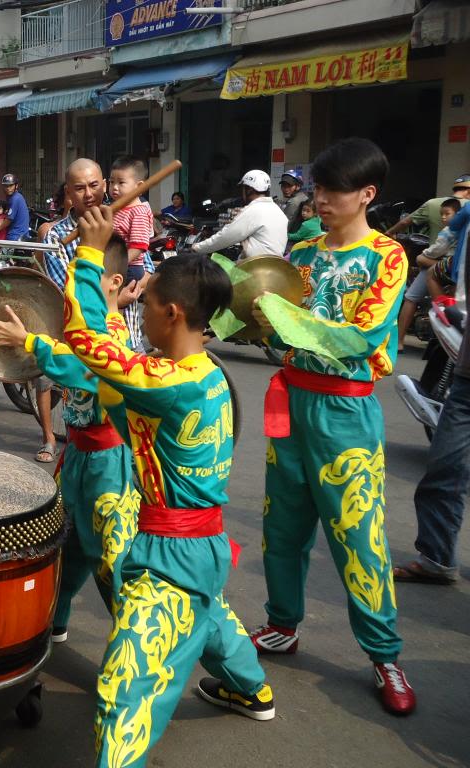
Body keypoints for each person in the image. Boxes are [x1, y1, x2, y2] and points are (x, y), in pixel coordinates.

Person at [64, 209, 274, 765]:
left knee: (125, 688)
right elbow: (123, 368)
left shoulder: (166, 384)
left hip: (168, 555)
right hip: (199, 546)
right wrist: (112, 312)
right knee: (208, 618)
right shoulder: (206, 375)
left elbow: (85, 347)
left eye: (148, 302)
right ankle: (250, 689)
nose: (142, 308)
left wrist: (87, 253)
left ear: (173, 312)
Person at [250, 137, 415, 715]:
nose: (318, 199)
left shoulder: (387, 257)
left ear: (366, 194)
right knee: (283, 526)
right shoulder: (300, 253)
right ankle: (282, 624)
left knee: (359, 537)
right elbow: (261, 325)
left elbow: (361, 336)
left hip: (346, 412)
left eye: (331, 190)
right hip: (290, 401)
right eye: (316, 189)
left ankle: (384, 654)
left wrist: (278, 318)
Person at [0, 233, 137, 645]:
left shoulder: (113, 336)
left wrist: (28, 341)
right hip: (78, 456)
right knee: (63, 546)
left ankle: (142, 650)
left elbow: (86, 372)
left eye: (82, 281)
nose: (70, 293)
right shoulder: (86, 332)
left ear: (111, 283)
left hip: (109, 465)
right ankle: (51, 620)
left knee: (116, 564)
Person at [393, 200, 470, 585]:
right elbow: (439, 256)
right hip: (466, 374)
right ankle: (437, 557)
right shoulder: (465, 216)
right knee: (444, 469)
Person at [36, 158, 108, 464]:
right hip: (80, 338)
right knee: (78, 411)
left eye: (94, 185)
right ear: (69, 192)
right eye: (79, 188)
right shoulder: (56, 236)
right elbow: (68, 289)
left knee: (119, 417)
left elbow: (143, 269)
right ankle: (54, 441)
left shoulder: (120, 221)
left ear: (104, 185)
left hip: (123, 332)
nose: (88, 194)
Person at [396, 196, 464, 349]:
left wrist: (423, 255)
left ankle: (442, 309)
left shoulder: (451, 228)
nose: (443, 217)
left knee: (424, 282)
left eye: (447, 214)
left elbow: (436, 249)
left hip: (449, 265)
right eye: (442, 214)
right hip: (459, 269)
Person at [108, 155, 156, 352]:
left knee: (120, 315)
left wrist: (116, 263)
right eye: (111, 182)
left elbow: (138, 246)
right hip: (117, 266)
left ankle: (132, 351)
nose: (114, 188)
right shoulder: (117, 208)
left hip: (129, 268)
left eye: (121, 183)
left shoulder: (138, 211)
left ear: (139, 186)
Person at [193, 170, 288, 259]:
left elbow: (226, 237)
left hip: (256, 267)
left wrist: (197, 248)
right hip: (276, 266)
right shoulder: (277, 210)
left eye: (243, 188)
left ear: (249, 190)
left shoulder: (253, 210)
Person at [386, 174, 470, 241]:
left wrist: (389, 232)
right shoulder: (468, 206)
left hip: (432, 257)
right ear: (468, 191)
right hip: (460, 259)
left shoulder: (432, 203)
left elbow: (404, 222)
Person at [2, 172, 30, 242]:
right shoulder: (16, 197)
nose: (8, 188)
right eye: (6, 186)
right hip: (22, 235)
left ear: (16, 186)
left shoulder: (15, 198)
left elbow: (9, 219)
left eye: (11, 186)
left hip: (15, 236)